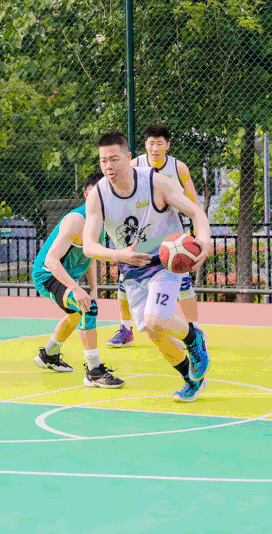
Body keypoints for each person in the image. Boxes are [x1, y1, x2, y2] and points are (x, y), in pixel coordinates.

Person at [82, 132, 213, 403]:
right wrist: (119, 255)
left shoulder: (156, 182)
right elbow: (89, 246)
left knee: (156, 320)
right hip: (132, 268)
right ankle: (192, 379)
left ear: (129, 157)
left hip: (165, 262)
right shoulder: (98, 196)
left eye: (114, 159)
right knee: (154, 332)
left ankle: (194, 339)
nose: (108, 166)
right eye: (103, 161)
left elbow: (196, 212)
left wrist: (204, 240)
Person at [109, 123, 202, 347]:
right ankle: (125, 329)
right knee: (125, 281)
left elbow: (195, 205)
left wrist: (198, 237)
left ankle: (194, 330)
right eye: (151, 143)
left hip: (170, 236)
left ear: (167, 145)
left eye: (160, 144)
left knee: (183, 285)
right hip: (141, 236)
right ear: (145, 145)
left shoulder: (178, 168)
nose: (155, 148)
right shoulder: (134, 165)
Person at [32, 173, 124, 388]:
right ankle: (94, 371)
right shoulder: (76, 221)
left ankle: (48, 355)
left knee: (75, 316)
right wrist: (75, 288)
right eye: (96, 193)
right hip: (47, 274)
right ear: (86, 195)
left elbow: (89, 256)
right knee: (87, 308)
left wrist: (94, 289)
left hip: (66, 278)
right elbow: (51, 260)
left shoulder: (99, 222)